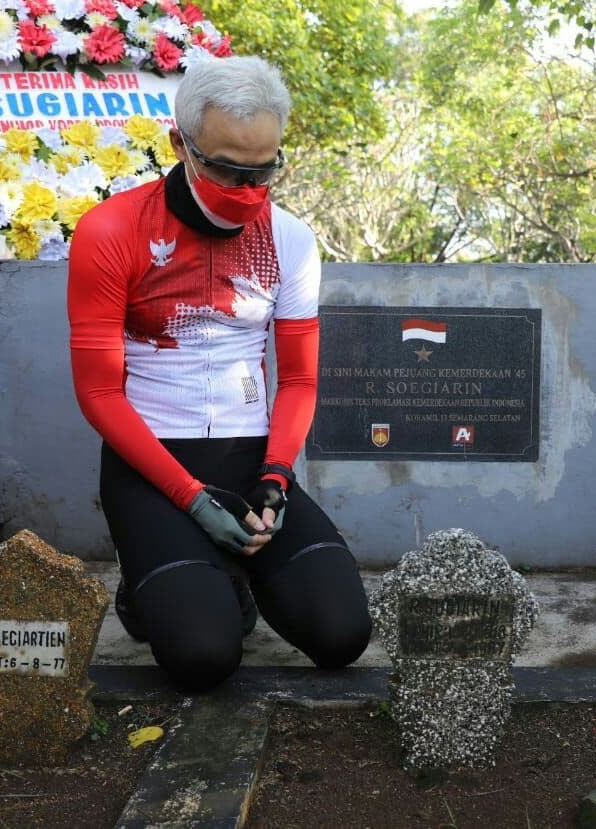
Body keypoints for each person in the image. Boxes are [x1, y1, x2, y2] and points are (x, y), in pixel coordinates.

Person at [68, 55, 371, 691]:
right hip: (149, 465)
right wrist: (190, 500)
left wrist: (276, 479)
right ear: (180, 143)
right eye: (228, 169)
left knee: (342, 636)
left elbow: (299, 382)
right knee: (205, 657)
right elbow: (98, 391)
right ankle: (161, 581)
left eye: (264, 170)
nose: (247, 191)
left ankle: (228, 571)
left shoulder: (290, 239)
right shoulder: (111, 230)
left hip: (251, 458)